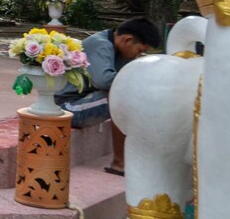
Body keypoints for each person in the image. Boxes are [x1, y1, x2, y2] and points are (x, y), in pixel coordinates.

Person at [58, 17, 162, 175]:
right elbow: (104, 81)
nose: (137, 56)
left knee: (136, 95)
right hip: (67, 108)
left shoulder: (118, 48)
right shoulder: (102, 45)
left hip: (86, 101)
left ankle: (143, 156)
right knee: (122, 96)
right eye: (139, 51)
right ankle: (119, 163)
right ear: (127, 39)